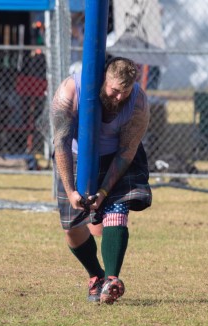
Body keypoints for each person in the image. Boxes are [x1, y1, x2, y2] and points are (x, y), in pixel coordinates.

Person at [51, 57, 152, 304]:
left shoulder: (138, 102)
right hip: (75, 157)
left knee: (117, 210)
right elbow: (61, 144)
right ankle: (96, 276)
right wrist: (71, 190)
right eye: (115, 90)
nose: (119, 97)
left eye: (125, 92)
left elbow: (127, 152)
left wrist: (105, 192)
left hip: (117, 159)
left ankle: (111, 279)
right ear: (104, 78)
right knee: (72, 228)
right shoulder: (69, 91)